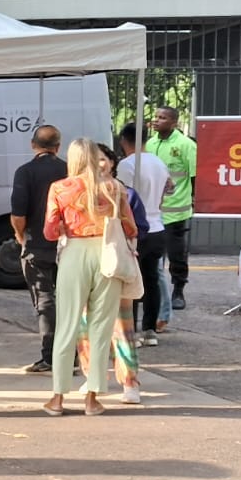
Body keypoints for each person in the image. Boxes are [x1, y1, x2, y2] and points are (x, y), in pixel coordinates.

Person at [42, 138, 137, 416]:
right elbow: (131, 228)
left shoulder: (60, 188)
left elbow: (49, 231)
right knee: (101, 327)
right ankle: (92, 398)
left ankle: (58, 398)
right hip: (108, 254)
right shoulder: (114, 187)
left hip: (74, 253)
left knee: (67, 325)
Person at [76, 143, 150, 405]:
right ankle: (93, 377)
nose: (99, 165)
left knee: (122, 327)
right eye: (93, 160)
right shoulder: (75, 192)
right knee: (86, 329)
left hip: (114, 265)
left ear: (113, 161)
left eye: (103, 159)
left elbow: (138, 227)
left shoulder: (125, 193)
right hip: (88, 268)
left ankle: (130, 382)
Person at [9, 125, 68, 373]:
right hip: (67, 244)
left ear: (33, 145)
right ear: (58, 146)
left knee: (45, 301)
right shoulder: (70, 170)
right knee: (68, 300)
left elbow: (18, 213)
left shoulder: (25, 172)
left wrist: (21, 235)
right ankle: (72, 354)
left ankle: (50, 357)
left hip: (37, 245)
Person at [116, 122, 171, 346]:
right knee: (151, 280)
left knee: (131, 283)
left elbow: (124, 200)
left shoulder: (127, 165)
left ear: (123, 141)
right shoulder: (159, 163)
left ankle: (132, 332)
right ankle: (149, 330)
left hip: (136, 230)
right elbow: (163, 194)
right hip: (158, 225)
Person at [146, 106, 198, 309]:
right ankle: (151, 290)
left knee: (177, 254)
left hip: (176, 210)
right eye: (156, 117)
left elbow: (194, 175)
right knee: (151, 253)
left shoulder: (186, 145)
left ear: (174, 122)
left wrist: (194, 198)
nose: (157, 120)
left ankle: (178, 290)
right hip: (153, 209)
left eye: (163, 118)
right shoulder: (150, 144)